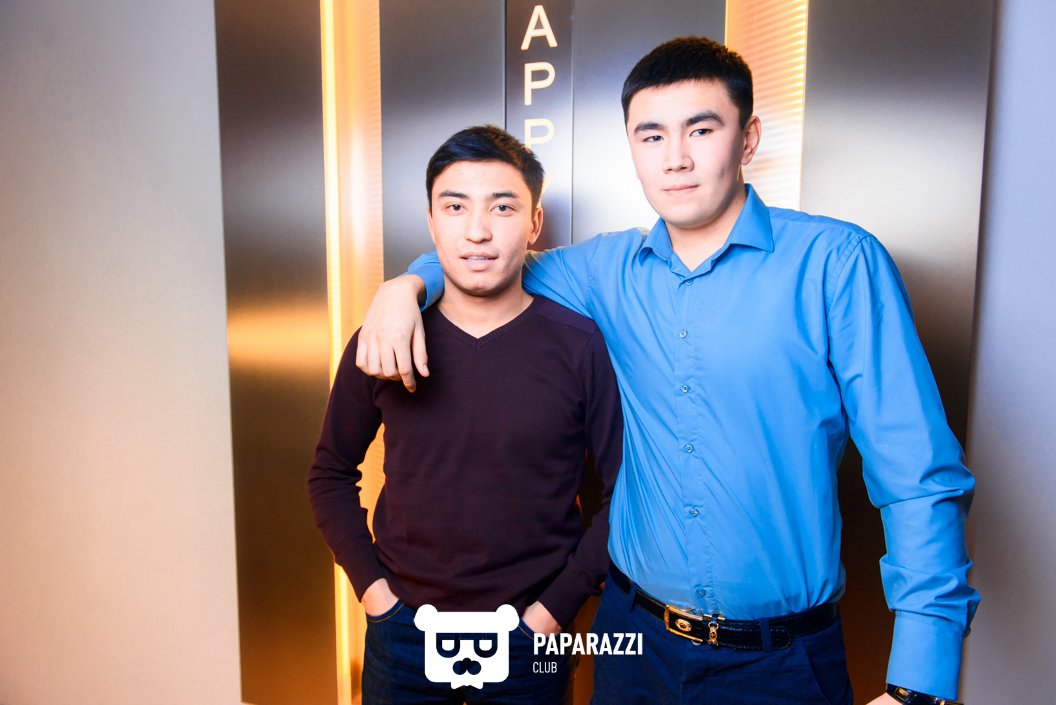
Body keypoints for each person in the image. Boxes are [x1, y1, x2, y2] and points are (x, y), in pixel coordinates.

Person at [355, 37, 979, 705]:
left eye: (701, 130)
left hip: (781, 662)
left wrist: (921, 681)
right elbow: (488, 260)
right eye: (651, 136)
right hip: (631, 645)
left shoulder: (836, 263)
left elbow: (916, 474)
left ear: (747, 139)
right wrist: (405, 286)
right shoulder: (604, 271)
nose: (675, 158)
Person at [309, 125, 623, 704]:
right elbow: (329, 473)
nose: (477, 230)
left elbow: (623, 492)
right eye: (455, 207)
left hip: (531, 637)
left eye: (502, 207)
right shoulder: (384, 336)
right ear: (431, 223)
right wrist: (376, 596)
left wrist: (553, 612)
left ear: (534, 223)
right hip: (404, 632)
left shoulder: (579, 346)